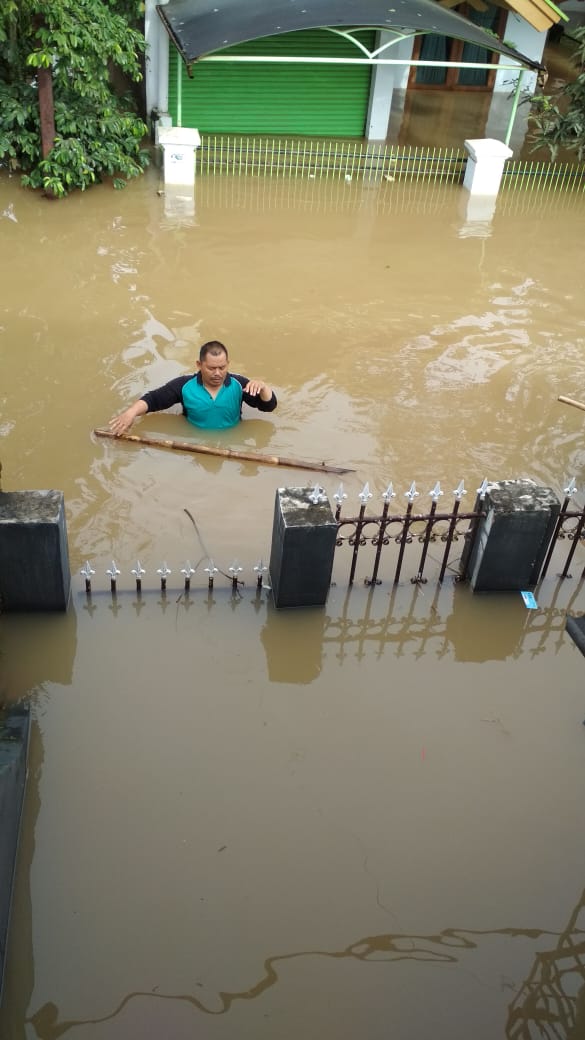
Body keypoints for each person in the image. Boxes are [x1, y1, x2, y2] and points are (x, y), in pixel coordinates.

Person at [109, 340, 277, 435]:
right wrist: (130, 413)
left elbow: (268, 407)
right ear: (199, 365)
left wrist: (263, 388)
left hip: (232, 440)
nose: (218, 373)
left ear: (228, 364)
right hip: (194, 438)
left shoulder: (239, 384)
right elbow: (153, 400)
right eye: (211, 368)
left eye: (222, 367)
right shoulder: (184, 385)